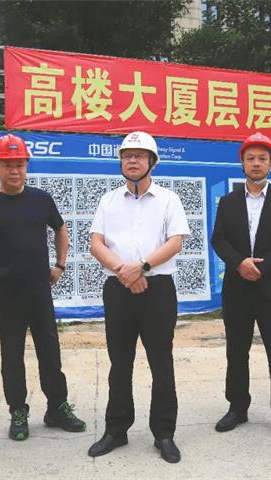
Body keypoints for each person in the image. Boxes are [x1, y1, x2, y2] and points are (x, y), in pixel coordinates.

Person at [88, 131, 189, 464]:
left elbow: (176, 241)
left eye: (139, 155)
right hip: (118, 288)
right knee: (120, 362)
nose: (132, 160)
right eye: (127, 155)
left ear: (152, 162)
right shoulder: (108, 201)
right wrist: (125, 271)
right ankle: (116, 430)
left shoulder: (168, 199)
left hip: (157, 289)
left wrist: (142, 266)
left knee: (161, 362)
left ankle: (164, 433)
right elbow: (96, 243)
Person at [0, 134, 86, 442]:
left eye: (20, 164)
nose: (15, 171)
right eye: (8, 165)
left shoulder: (41, 199)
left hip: (39, 290)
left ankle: (57, 407)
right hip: (5, 293)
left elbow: (60, 228)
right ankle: (18, 411)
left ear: (26, 166)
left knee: (49, 351)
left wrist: (60, 265)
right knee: (12, 355)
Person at [210, 132, 271, 442]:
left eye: (263, 158)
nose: (256, 163)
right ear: (243, 163)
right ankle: (237, 408)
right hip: (237, 289)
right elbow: (219, 239)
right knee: (236, 351)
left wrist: (262, 266)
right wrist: (239, 263)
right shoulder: (228, 202)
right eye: (251, 158)